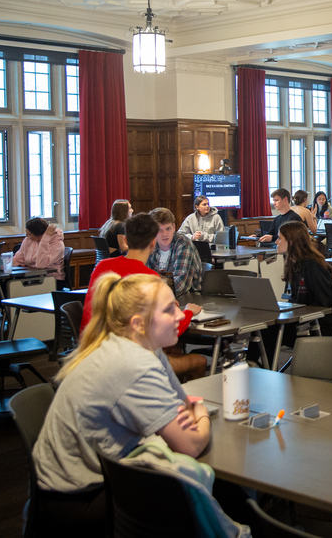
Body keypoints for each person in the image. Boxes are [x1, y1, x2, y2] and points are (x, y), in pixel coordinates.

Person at [32, 273, 215, 530]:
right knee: (207, 494)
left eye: (176, 305)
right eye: (168, 310)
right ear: (139, 323)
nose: (179, 315)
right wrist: (203, 411)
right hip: (77, 501)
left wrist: (189, 411)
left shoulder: (141, 346)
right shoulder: (133, 363)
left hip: (74, 480)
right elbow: (190, 443)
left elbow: (182, 404)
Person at [81, 213, 206, 381]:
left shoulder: (102, 266)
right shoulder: (150, 278)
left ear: (125, 240)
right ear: (153, 243)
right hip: (127, 364)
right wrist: (189, 312)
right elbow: (171, 330)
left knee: (170, 351)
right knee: (200, 361)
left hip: (91, 355)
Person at [249, 221, 332, 365]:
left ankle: (264, 367)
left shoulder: (313, 267)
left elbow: (325, 305)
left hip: (318, 325)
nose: (276, 242)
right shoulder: (297, 263)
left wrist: (297, 312)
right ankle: (258, 364)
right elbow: (299, 298)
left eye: (280, 238)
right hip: (303, 319)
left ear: (291, 242)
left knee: (266, 330)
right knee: (262, 327)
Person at [146, 208, 202, 296]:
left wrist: (149, 291)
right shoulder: (151, 244)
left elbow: (180, 285)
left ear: (174, 227)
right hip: (157, 297)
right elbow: (144, 276)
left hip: (187, 297)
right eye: (160, 230)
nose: (165, 234)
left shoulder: (184, 244)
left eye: (168, 228)